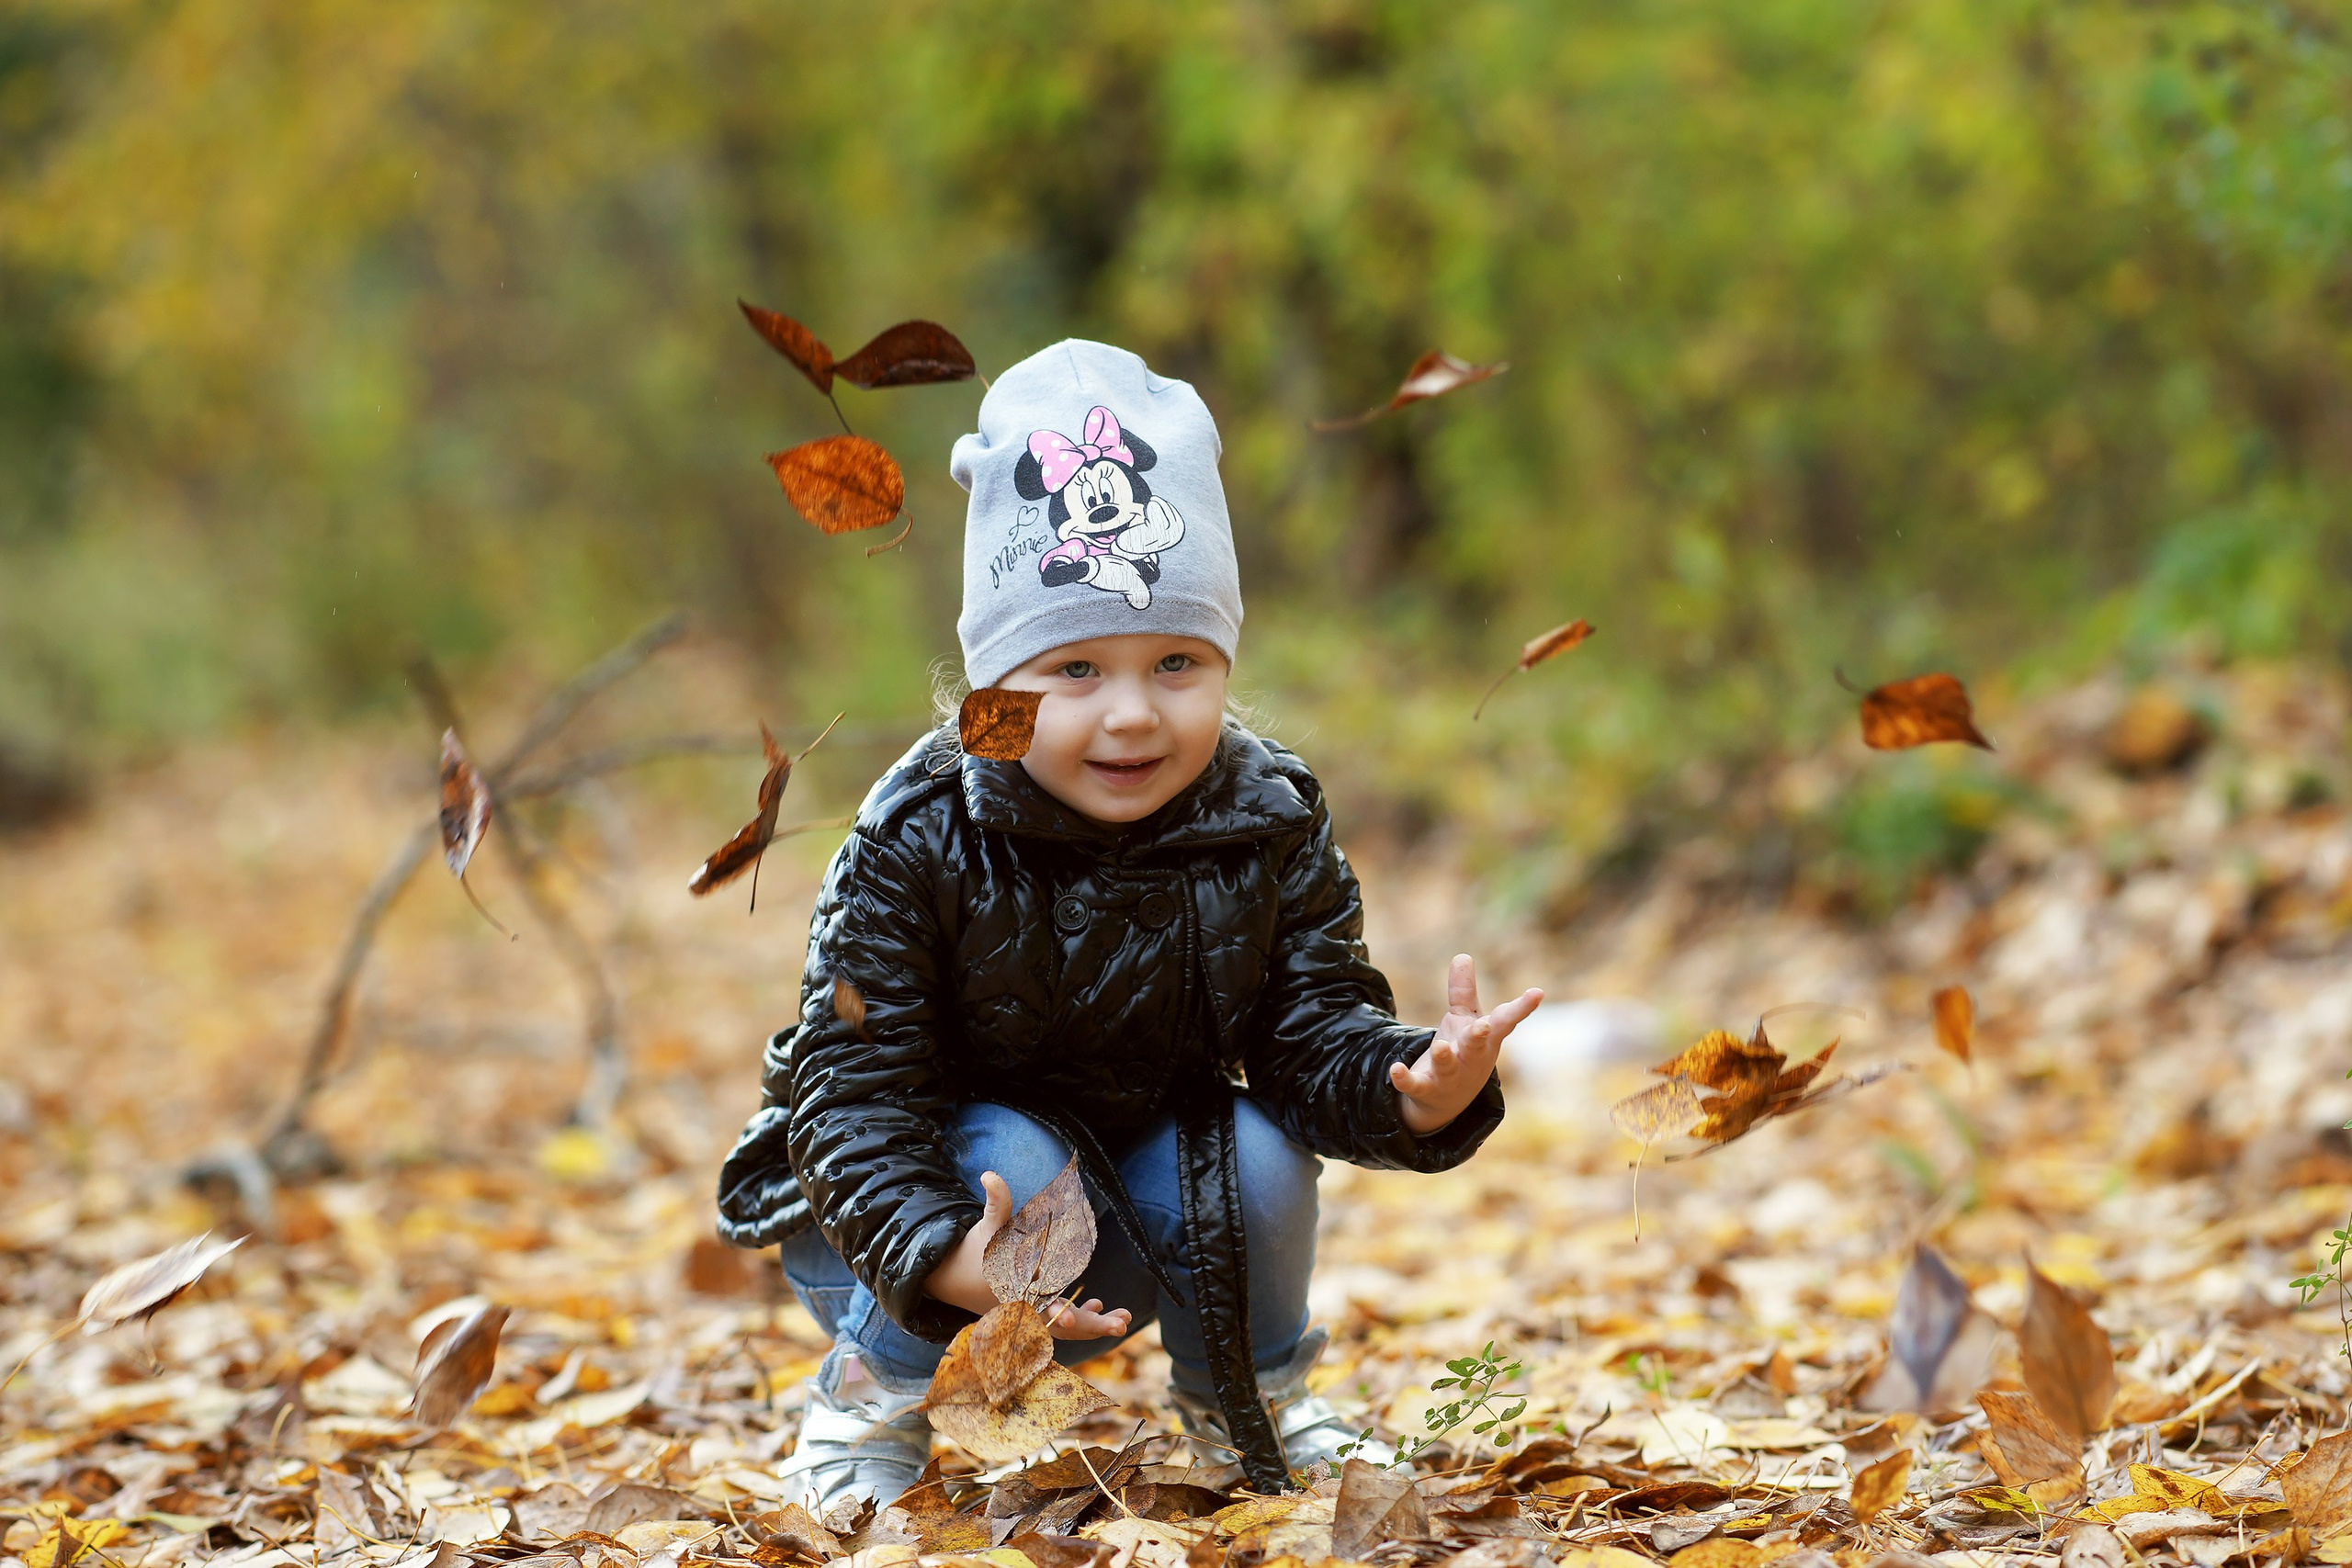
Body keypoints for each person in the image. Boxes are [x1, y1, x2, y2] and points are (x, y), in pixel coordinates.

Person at [715, 340, 1543, 1513]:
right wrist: (940, 1254)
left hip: (1123, 1226)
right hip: (901, 1222)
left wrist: (1412, 1088)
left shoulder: (1264, 813)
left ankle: (1251, 1398)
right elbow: (849, 1092)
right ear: (998, 686)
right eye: (1075, 671)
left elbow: (1309, 1030)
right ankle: (868, 1402)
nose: (1132, 714)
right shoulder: (920, 829)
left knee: (1257, 1154)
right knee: (1014, 1159)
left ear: (1224, 661)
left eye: (1175, 663)